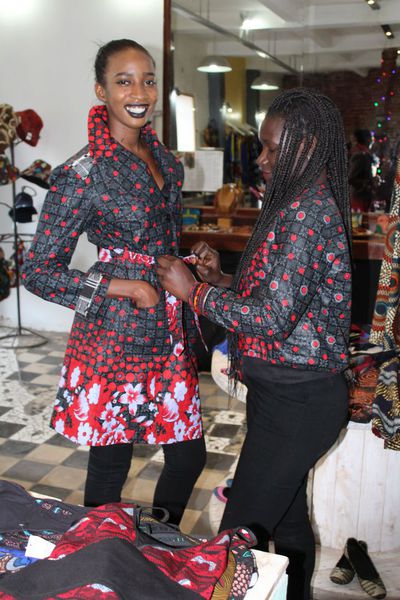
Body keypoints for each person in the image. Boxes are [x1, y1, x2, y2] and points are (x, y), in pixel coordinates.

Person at [156, 88, 352, 599]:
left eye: (271, 148)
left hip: (299, 400)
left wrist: (193, 292)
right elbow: (276, 297)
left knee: (236, 539)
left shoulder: (308, 213)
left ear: (307, 147)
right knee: (285, 525)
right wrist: (221, 280)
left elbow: (271, 319)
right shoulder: (295, 205)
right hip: (285, 395)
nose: (261, 159)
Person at [22, 39, 206, 523]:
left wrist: (192, 262)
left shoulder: (166, 161)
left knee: (189, 456)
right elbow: (38, 272)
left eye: (148, 80)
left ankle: (159, 542)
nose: (139, 92)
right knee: (111, 465)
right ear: (101, 90)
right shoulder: (82, 173)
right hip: (115, 332)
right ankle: (102, 553)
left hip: (169, 328)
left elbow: (160, 238)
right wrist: (123, 287)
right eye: (124, 81)